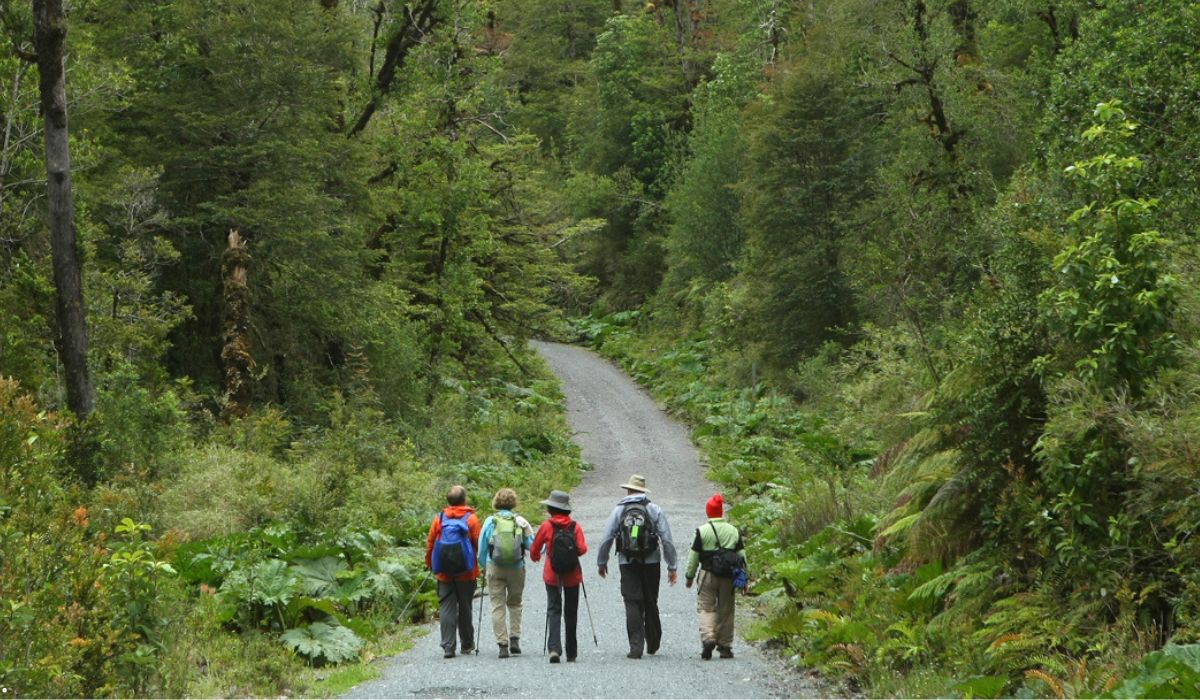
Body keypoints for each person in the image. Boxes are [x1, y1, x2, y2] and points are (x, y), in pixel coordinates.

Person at [596, 474, 678, 659]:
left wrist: (602, 562)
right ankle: (653, 642)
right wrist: (672, 566)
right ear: (642, 491)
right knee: (651, 600)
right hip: (651, 561)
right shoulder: (654, 509)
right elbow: (666, 539)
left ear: (628, 490)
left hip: (627, 562)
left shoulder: (619, 511)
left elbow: (607, 537)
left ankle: (636, 647)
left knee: (632, 601)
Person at [685, 493, 746, 660]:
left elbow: (694, 557)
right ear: (721, 512)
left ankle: (708, 638)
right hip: (728, 577)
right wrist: (744, 579)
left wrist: (689, 577)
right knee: (726, 610)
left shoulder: (702, 531)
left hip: (707, 575)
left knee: (706, 607)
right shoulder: (733, 531)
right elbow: (742, 556)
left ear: (708, 512)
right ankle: (725, 646)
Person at [424, 484, 483, 659]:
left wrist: (429, 563)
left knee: (446, 607)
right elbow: (477, 543)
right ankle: (467, 644)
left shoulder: (439, 519)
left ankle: (448, 647)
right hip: (466, 572)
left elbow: (430, 543)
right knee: (465, 606)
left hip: (444, 572)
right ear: (464, 500)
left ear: (448, 501)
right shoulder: (471, 519)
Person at [530, 490, 588, 664]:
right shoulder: (575, 526)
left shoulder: (547, 526)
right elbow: (583, 549)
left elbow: (534, 549)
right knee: (571, 612)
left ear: (550, 509)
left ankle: (554, 649)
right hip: (572, 575)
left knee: (554, 609)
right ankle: (572, 652)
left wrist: (536, 557)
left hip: (552, 575)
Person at [478, 487, 535, 658]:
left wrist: (484, 565)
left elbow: (481, 547)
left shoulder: (490, 522)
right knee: (515, 603)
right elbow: (532, 546)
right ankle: (515, 638)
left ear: (496, 502)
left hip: (494, 566)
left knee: (497, 605)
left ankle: (502, 644)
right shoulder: (520, 521)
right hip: (516, 568)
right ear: (514, 503)